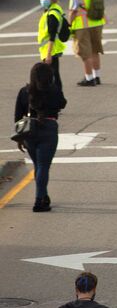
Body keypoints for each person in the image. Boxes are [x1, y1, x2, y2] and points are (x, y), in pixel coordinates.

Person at [15, 60, 65, 212]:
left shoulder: (24, 91)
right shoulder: (53, 90)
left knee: (38, 165)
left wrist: (19, 137)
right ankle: (39, 200)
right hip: (48, 128)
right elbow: (62, 103)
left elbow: (18, 115)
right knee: (43, 165)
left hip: (29, 131)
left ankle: (44, 196)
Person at [69, 0, 107, 86]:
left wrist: (69, 24)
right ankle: (97, 77)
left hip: (82, 26)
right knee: (95, 50)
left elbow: (73, 10)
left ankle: (89, 78)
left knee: (86, 53)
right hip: (97, 23)